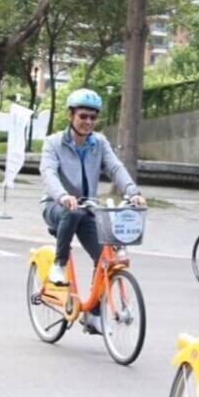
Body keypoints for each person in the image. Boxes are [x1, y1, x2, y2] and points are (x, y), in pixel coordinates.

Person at [39, 88, 147, 291]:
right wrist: (62, 196)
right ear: (70, 115)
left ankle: (94, 316)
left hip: (87, 209)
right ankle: (59, 264)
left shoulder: (99, 142)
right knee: (72, 213)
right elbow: (48, 173)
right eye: (83, 116)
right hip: (56, 206)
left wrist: (133, 192)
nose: (88, 121)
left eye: (92, 117)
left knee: (105, 261)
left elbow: (115, 167)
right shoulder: (53, 143)